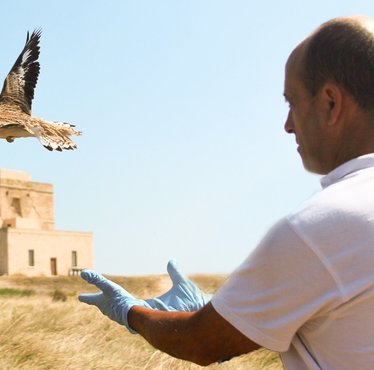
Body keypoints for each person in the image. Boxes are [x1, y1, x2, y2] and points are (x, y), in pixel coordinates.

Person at [79, 15, 374, 369]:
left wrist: (131, 313)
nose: (288, 125)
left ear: (330, 103)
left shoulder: (324, 226)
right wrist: (237, 310)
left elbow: (200, 343)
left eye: (292, 102)